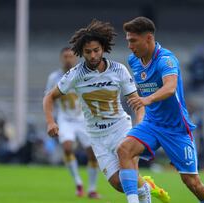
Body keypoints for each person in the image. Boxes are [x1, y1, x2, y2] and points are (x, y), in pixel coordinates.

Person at [43, 19, 170, 203]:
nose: (93, 55)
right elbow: (49, 97)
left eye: (96, 50)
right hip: (97, 136)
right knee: (119, 183)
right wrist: (50, 122)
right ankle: (148, 186)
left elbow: (137, 102)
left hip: (121, 129)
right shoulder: (76, 74)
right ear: (82, 52)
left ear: (103, 48)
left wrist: (140, 122)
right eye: (88, 52)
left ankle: (142, 194)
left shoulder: (119, 70)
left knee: (130, 182)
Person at [117, 16, 204, 203]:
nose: (130, 46)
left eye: (133, 41)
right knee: (124, 150)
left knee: (192, 182)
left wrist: (147, 99)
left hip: (176, 129)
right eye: (128, 41)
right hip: (152, 124)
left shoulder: (167, 59)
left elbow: (170, 88)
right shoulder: (134, 60)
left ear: (148, 38)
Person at [45, 47, 100, 198]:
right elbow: (48, 98)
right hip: (65, 119)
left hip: (84, 119)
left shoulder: (84, 74)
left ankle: (92, 189)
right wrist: (50, 120)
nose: (68, 59)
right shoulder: (54, 77)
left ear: (76, 58)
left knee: (93, 154)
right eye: (65, 56)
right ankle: (78, 182)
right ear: (61, 58)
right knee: (67, 148)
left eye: (71, 56)